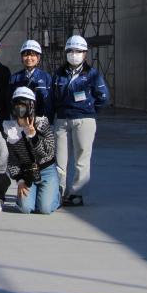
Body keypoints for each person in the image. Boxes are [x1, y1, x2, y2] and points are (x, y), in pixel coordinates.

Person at [52, 35, 109, 207]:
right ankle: (58, 192)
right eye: (70, 51)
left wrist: (89, 110)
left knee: (81, 158)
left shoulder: (92, 74)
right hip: (62, 119)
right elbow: (53, 97)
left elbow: (103, 97)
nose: (74, 54)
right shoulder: (59, 74)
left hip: (84, 120)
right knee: (60, 160)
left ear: (85, 53)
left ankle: (77, 194)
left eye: (78, 51)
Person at [3, 87, 58, 214]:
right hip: (27, 172)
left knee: (45, 209)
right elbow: (11, 159)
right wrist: (20, 180)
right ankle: (36, 194)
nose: (20, 108)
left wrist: (34, 136)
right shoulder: (9, 128)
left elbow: (48, 152)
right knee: (25, 208)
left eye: (23, 104)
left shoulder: (42, 123)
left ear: (31, 105)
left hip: (47, 170)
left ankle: (56, 192)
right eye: (17, 104)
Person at [9, 39, 54, 121]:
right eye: (26, 55)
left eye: (32, 55)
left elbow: (50, 102)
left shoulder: (46, 77)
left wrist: (48, 121)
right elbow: (10, 102)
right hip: (20, 122)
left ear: (38, 58)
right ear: (22, 58)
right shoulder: (14, 78)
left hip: (41, 120)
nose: (29, 58)